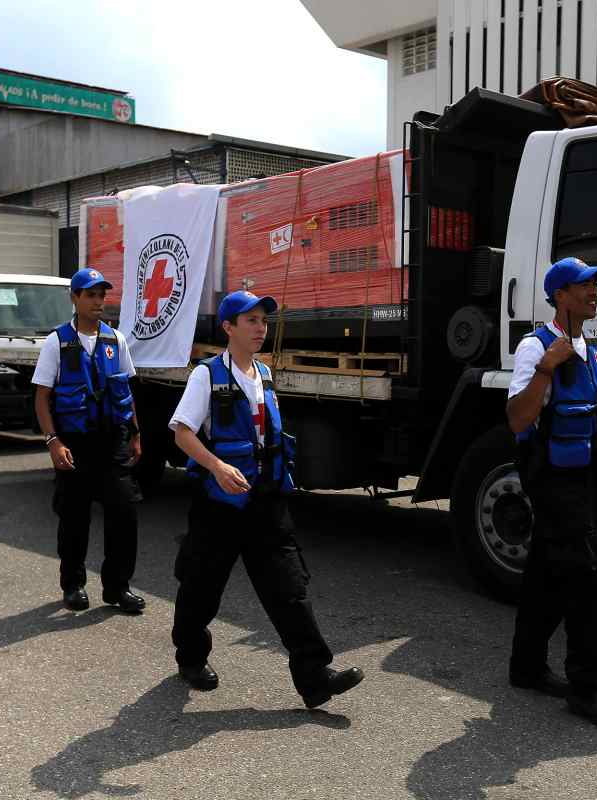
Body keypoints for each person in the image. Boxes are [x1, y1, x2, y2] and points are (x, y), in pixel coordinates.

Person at [168, 290, 363, 709]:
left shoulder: (264, 374)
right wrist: (217, 467)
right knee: (200, 587)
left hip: (266, 502)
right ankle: (191, 657)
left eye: (263, 321)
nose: (261, 328)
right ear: (228, 327)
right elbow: (182, 432)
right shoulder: (207, 375)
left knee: (289, 589)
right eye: (251, 321)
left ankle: (315, 679)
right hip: (220, 503)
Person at [505, 256, 597, 728]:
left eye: (595, 285)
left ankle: (526, 667)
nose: (594, 292)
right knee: (589, 575)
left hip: (585, 471)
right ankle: (586, 687)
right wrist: (546, 369)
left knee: (549, 569)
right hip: (551, 472)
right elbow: (518, 419)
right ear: (560, 295)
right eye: (584, 285)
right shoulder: (535, 346)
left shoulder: (591, 349)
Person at [32, 267, 145, 614]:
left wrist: (136, 434)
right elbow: (42, 397)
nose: (98, 301)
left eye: (101, 295)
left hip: (111, 441)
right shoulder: (57, 342)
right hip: (74, 443)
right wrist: (53, 441)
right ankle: (73, 584)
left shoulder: (116, 340)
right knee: (74, 518)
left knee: (124, 513)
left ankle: (118, 587)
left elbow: (126, 391)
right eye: (90, 295)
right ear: (75, 298)